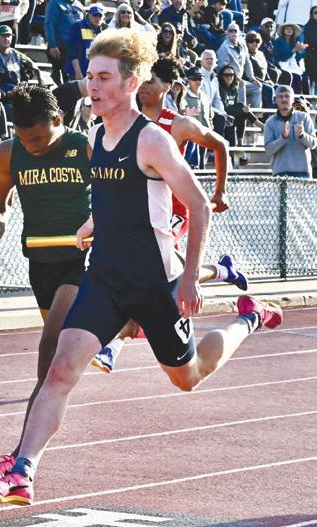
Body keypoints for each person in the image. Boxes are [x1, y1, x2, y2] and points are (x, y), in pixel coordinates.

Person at [0, 28, 282, 506]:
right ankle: (22, 471)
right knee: (60, 369)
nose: (92, 86)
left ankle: (251, 317)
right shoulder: (96, 135)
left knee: (188, 376)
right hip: (105, 278)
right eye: (90, 76)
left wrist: (189, 278)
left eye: (103, 77)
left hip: (154, 283)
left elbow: (198, 205)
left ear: (131, 83)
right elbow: (116, 194)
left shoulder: (152, 140)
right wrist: (92, 223)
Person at [91, 55, 246, 373]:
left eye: (152, 81)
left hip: (173, 214)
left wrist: (220, 191)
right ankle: (221, 270)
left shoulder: (179, 125)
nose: (144, 86)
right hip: (137, 214)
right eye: (142, 80)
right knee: (151, 274)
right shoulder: (124, 122)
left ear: (169, 87)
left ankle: (113, 345)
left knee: (148, 271)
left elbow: (220, 145)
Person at [0, 84, 92, 487]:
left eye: (39, 139)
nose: (33, 147)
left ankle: (20, 457)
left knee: (49, 350)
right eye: (26, 140)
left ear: (58, 120)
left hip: (81, 260)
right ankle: (124, 326)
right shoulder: (9, 153)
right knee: (60, 357)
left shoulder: (85, 147)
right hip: (40, 265)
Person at [264, 85, 317, 178]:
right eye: (280, 96)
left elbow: (313, 144)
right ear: (275, 100)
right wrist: (282, 138)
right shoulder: (270, 122)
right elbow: (268, 150)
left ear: (293, 99)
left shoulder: (304, 117)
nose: (284, 99)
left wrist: (302, 135)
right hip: (280, 173)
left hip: (303, 172)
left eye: (287, 96)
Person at [217, 22, 263, 108]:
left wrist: (252, 79)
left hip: (239, 80)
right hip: (228, 80)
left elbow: (247, 63)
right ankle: (242, 112)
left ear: (239, 32)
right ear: (227, 33)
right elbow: (224, 68)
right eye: (231, 31)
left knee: (257, 87)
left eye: (235, 31)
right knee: (241, 85)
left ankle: (257, 113)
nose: (233, 33)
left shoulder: (243, 45)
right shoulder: (224, 48)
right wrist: (236, 79)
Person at [44, 0, 85, 85]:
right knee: (61, 81)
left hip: (76, 49)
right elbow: (49, 23)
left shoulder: (79, 5)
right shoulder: (55, 3)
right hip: (60, 48)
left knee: (73, 80)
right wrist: (52, 44)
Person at [67, 5, 105, 81]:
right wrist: (77, 72)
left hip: (94, 71)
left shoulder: (103, 29)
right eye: (95, 15)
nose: (97, 18)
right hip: (79, 70)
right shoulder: (78, 26)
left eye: (100, 16)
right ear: (89, 15)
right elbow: (73, 52)